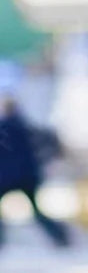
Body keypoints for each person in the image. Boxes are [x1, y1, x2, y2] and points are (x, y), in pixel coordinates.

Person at [0, 96, 71, 249]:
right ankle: (60, 236)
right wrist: (48, 160)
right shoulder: (26, 127)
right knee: (37, 210)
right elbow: (50, 141)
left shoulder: (3, 128)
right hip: (29, 177)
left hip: (6, 178)